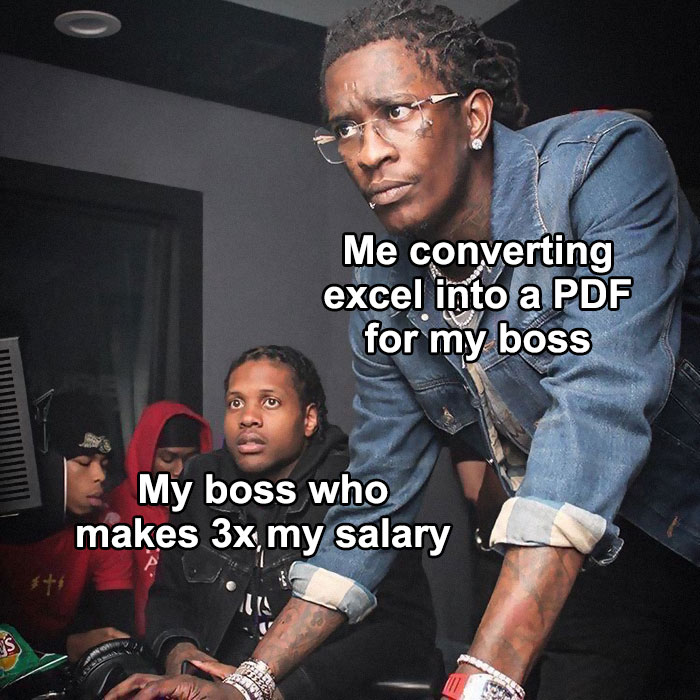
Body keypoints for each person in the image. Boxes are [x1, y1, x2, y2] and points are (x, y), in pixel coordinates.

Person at [106, 1, 700, 699]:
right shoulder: (380, 283)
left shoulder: (603, 164)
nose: (368, 153)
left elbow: (599, 404)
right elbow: (374, 493)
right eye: (346, 129)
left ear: (473, 117)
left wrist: (485, 675)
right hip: (582, 561)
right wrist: (250, 684)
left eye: (395, 112)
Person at [108, 345, 437, 700]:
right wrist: (181, 653)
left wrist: (269, 691)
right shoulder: (200, 480)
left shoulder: (356, 489)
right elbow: (168, 596)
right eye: (236, 402)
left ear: (309, 419)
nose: (248, 417)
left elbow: (402, 630)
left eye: (270, 402)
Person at [0, 391, 134, 661]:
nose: (100, 475)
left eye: (104, 464)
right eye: (84, 462)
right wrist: (66, 645)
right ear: (46, 465)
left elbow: (116, 631)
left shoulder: (104, 529)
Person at [105, 401, 212, 637]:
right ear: (147, 454)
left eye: (190, 458)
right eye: (168, 458)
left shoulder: (209, 505)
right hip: (136, 641)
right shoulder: (115, 509)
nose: (180, 470)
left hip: (195, 641)